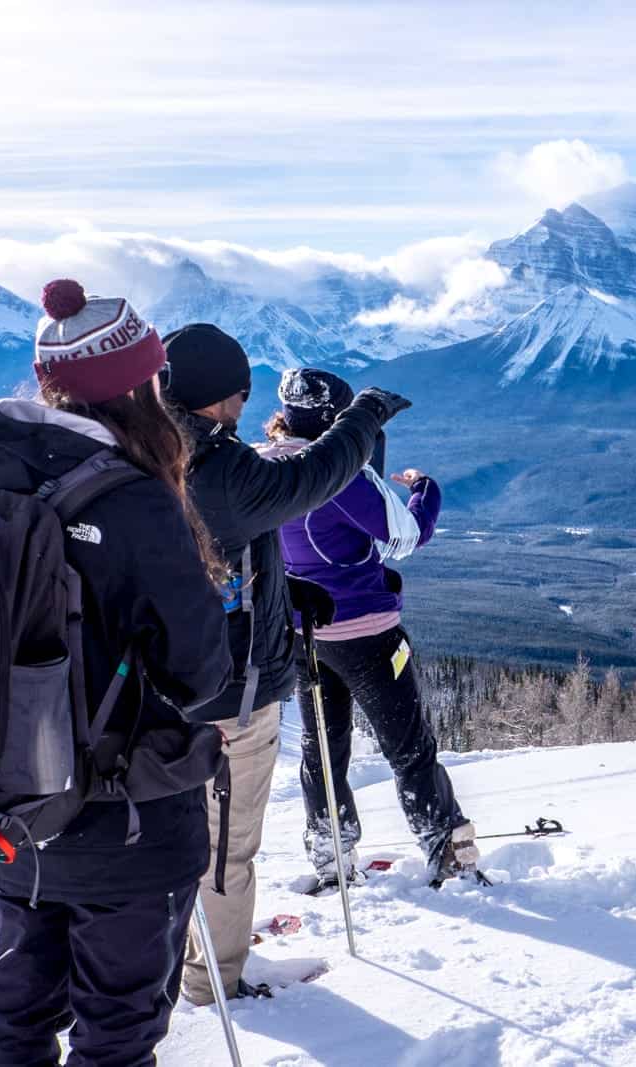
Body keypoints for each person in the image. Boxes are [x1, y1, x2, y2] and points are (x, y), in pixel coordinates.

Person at [0, 280, 234, 1066]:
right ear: (133, 389)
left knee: (13, 1019)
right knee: (116, 1035)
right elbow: (202, 672)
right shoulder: (137, 501)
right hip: (130, 824)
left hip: (15, 816)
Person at [157, 323, 411, 1005]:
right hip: (228, 694)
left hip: (161, 686)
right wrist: (364, 417)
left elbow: (209, 554)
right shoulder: (219, 463)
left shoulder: (146, 450)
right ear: (214, 398)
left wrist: (278, 588)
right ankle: (215, 981)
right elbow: (313, 477)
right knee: (226, 847)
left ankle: (183, 955)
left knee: (177, 835)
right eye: (238, 395)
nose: (243, 409)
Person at [264, 368, 479, 888]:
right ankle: (447, 846)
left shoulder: (256, 467)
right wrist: (425, 491)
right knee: (408, 746)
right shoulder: (338, 474)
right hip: (368, 633)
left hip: (304, 636)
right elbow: (405, 537)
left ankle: (331, 856)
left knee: (322, 752)